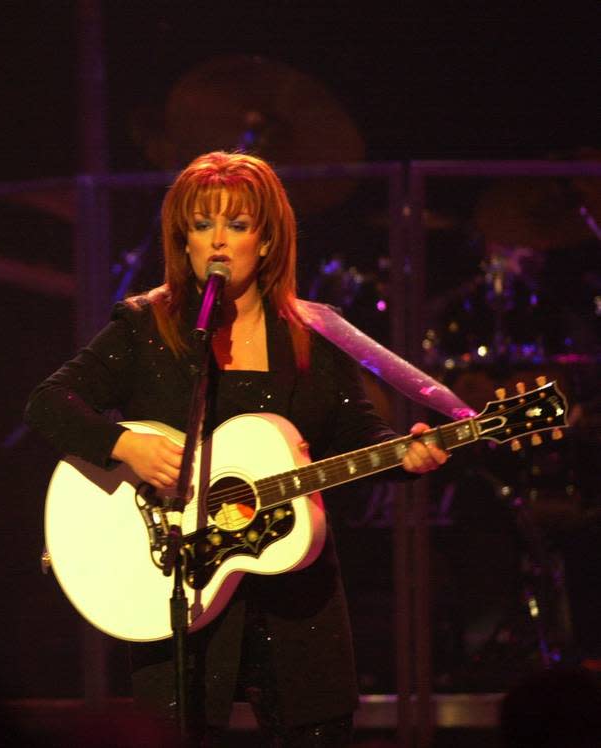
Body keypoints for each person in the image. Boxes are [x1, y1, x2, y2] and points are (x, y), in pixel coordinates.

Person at [24, 150, 448, 746]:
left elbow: (357, 436)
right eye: (202, 225)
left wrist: (406, 456)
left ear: (267, 241)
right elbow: (49, 403)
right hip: (176, 584)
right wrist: (126, 443)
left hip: (296, 596)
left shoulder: (311, 336)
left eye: (238, 225)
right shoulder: (148, 327)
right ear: (185, 240)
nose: (218, 241)